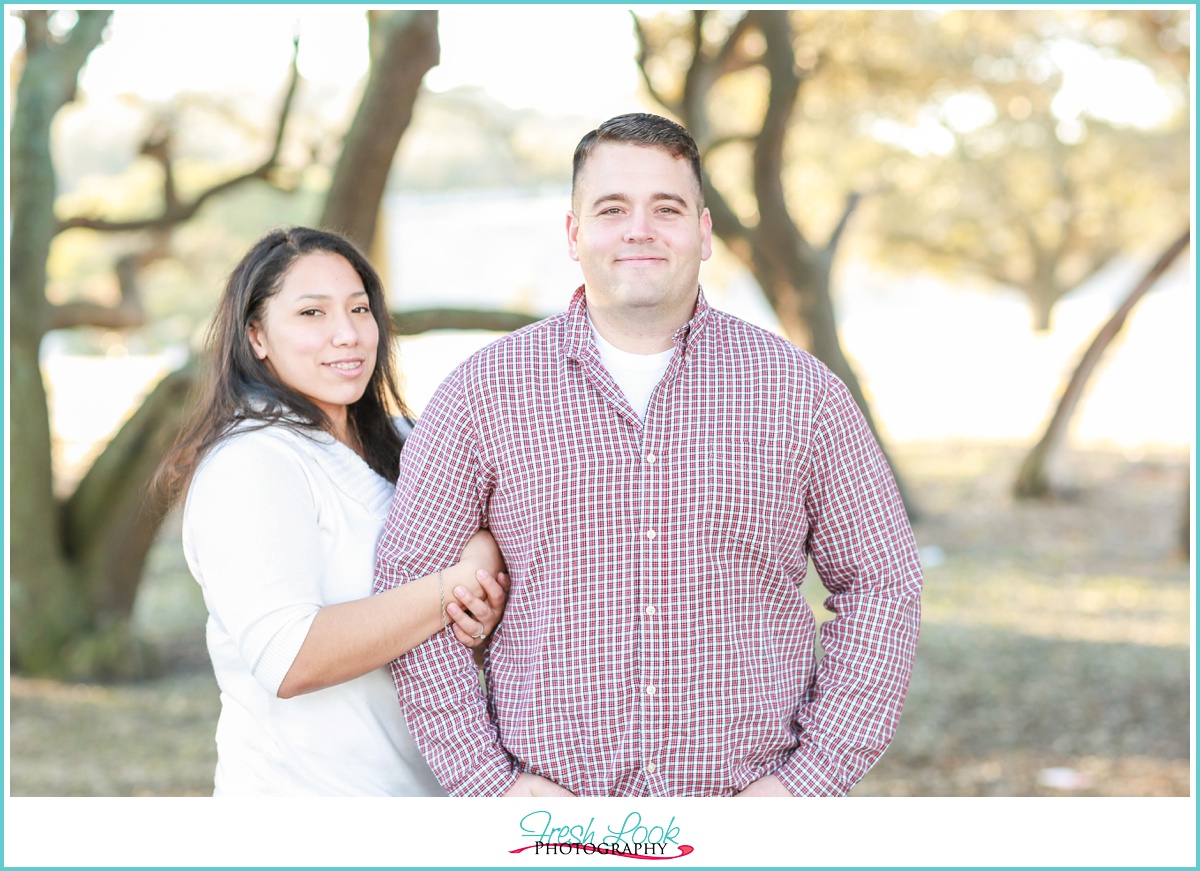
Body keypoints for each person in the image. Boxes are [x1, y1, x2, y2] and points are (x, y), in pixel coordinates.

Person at [375, 114, 923, 797]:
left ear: (704, 231)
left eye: (667, 207)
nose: (640, 228)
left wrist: (807, 784)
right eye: (612, 209)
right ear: (575, 234)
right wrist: (488, 783)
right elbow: (407, 586)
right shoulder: (482, 393)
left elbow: (883, 586)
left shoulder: (804, 395)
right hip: (549, 827)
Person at [155, 226, 509, 796]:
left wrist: (483, 568)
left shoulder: (406, 440)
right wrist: (453, 591)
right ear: (256, 335)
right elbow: (289, 658)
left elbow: (503, 535)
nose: (346, 334)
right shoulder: (253, 464)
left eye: (359, 308)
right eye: (312, 313)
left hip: (429, 801)